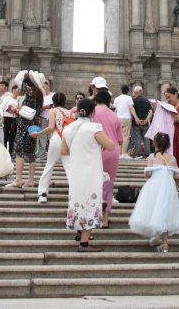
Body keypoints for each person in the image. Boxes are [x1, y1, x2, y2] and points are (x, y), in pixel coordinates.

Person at [61, 98, 116, 252]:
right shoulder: (94, 128)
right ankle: (84, 243)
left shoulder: (69, 128)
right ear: (93, 112)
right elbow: (110, 145)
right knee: (90, 203)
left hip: (76, 172)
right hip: (91, 172)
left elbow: (64, 151)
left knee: (78, 201)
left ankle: (80, 233)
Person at [128, 132, 179, 252]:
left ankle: (155, 236)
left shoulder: (152, 157)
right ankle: (164, 243)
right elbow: (178, 176)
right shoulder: (172, 158)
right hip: (168, 188)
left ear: (155, 143)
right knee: (165, 213)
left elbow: (148, 174)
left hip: (154, 187)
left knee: (153, 209)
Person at [92, 88, 122, 226]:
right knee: (109, 184)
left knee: (93, 183)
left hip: (96, 149)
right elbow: (120, 140)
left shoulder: (92, 112)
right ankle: (105, 220)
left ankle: (94, 215)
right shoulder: (115, 116)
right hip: (113, 151)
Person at [8, 71, 44, 189]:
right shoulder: (39, 94)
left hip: (24, 125)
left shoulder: (30, 92)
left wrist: (16, 110)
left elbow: (17, 80)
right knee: (30, 153)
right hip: (33, 127)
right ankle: (30, 180)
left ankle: (18, 180)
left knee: (19, 152)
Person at [36, 92, 72, 203]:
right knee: (70, 168)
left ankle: (43, 193)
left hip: (57, 139)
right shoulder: (70, 112)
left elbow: (51, 127)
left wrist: (38, 134)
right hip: (68, 140)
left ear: (54, 101)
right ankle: (75, 192)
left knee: (49, 166)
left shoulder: (53, 110)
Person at [128, 85, 152, 158]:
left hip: (136, 123)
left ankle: (139, 154)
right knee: (146, 139)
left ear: (135, 92)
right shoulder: (147, 101)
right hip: (145, 123)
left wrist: (136, 118)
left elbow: (132, 111)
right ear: (141, 92)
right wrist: (146, 120)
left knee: (137, 138)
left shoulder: (133, 101)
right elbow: (150, 112)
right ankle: (148, 154)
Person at [0, 84, 21, 153]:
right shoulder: (7, 98)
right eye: (18, 90)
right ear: (13, 90)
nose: (19, 91)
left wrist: (16, 111)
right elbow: (1, 107)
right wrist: (2, 116)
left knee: (13, 136)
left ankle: (10, 152)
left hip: (14, 119)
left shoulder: (18, 100)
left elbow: (19, 110)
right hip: (6, 118)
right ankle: (3, 152)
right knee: (5, 135)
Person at [113, 84, 134, 156]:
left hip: (118, 118)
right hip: (127, 118)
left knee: (118, 135)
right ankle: (124, 152)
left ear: (121, 90)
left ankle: (119, 152)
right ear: (128, 91)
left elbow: (115, 109)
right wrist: (136, 117)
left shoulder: (117, 98)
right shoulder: (129, 98)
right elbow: (131, 108)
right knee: (126, 136)